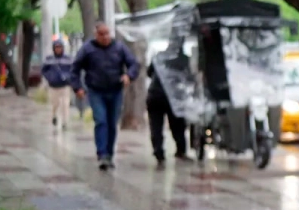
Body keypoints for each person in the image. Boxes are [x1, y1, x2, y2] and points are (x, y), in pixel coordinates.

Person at [71, 22, 139, 170]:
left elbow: (133, 64)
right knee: (101, 121)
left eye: (107, 33)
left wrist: (129, 75)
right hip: (96, 91)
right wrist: (78, 88)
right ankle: (102, 154)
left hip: (115, 91)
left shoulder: (119, 48)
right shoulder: (88, 49)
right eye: (101, 34)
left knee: (112, 123)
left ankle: (109, 154)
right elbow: (75, 68)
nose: (105, 37)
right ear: (96, 35)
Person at [146, 59, 188, 167]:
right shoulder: (182, 60)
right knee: (177, 125)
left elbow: (149, 73)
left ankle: (158, 151)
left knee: (155, 126)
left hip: (154, 94)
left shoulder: (159, 57)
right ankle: (181, 150)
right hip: (172, 95)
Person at [40, 39, 73, 129]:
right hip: (53, 86)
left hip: (65, 85)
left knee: (65, 103)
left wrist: (68, 77)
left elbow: (73, 70)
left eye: (60, 47)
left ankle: (65, 123)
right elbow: (43, 70)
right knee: (55, 104)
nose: (58, 49)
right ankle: (54, 116)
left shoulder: (68, 59)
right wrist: (49, 77)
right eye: (56, 47)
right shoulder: (49, 59)